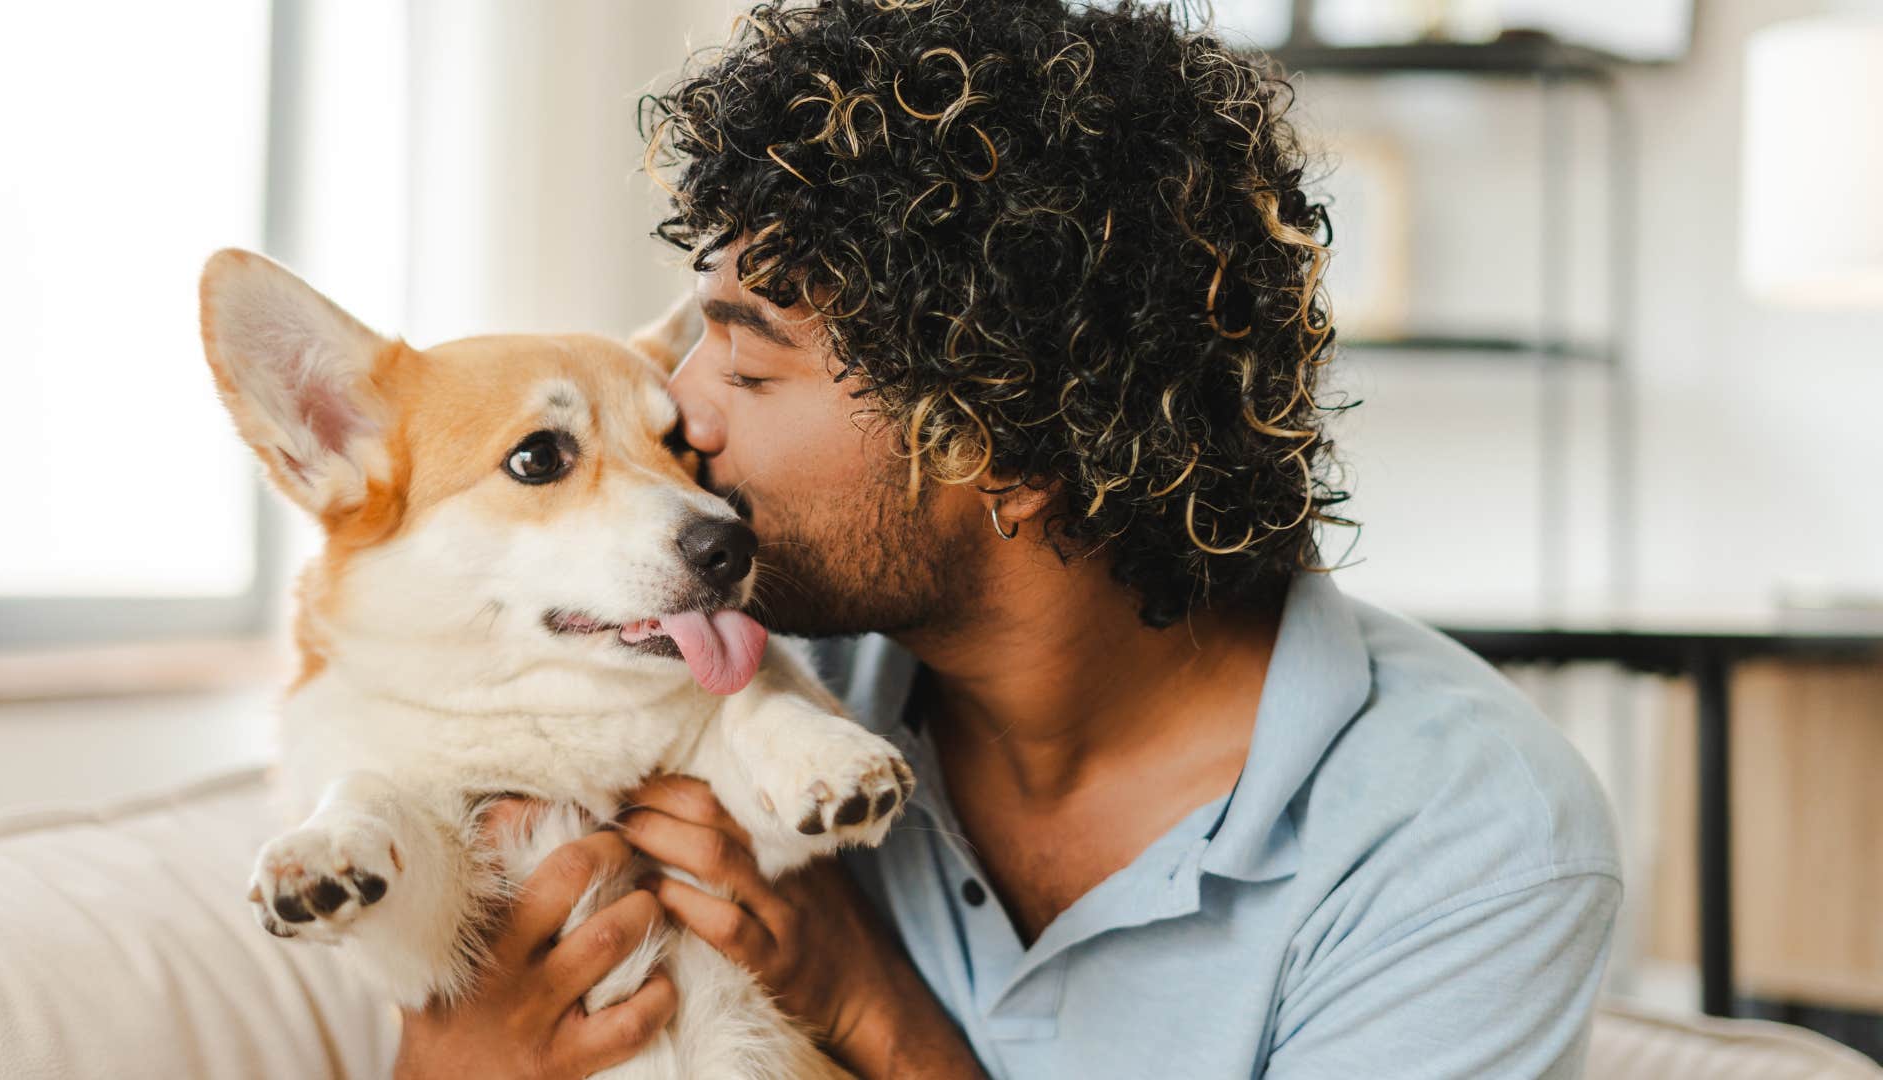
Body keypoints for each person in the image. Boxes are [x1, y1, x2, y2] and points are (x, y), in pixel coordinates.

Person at [393, 2, 1621, 1077]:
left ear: (1010, 445)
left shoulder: (1464, 843)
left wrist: (873, 1006)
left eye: (750, 364)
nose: (677, 413)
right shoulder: (725, 680)